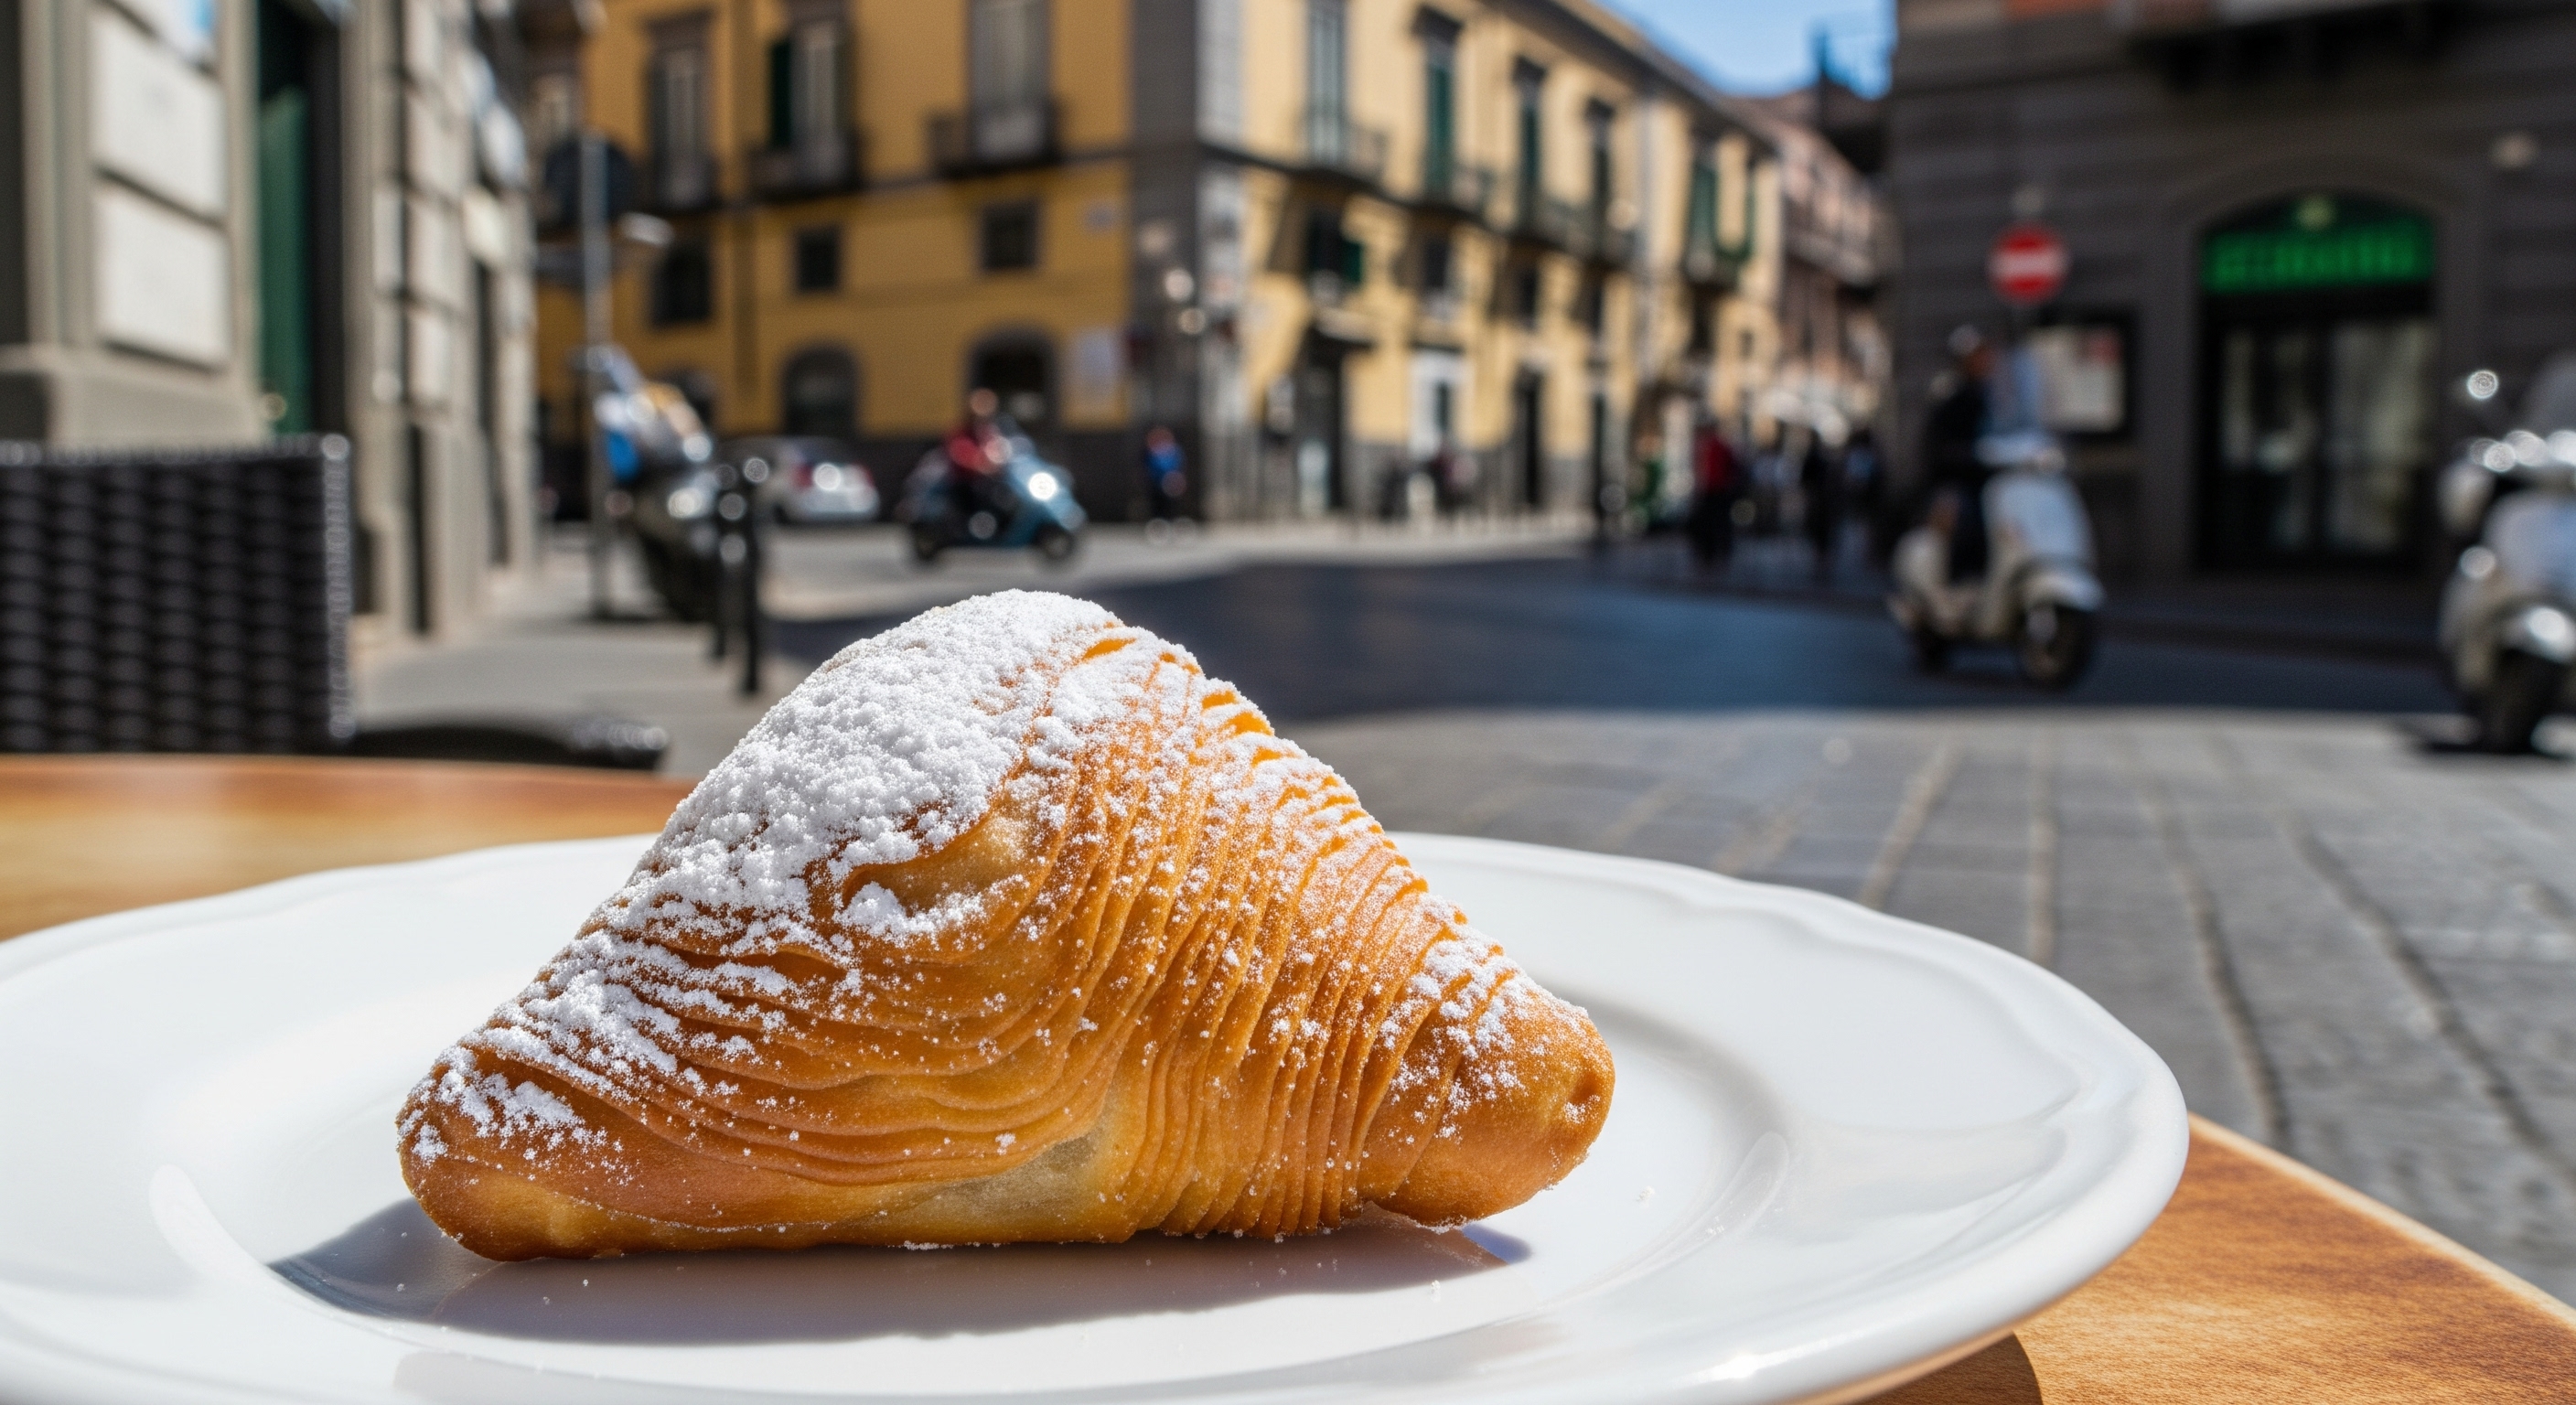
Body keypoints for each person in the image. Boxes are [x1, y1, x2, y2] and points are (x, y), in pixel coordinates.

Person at [1923, 327, 1998, 582]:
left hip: (1987, 478)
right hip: (1956, 479)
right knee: (1966, 519)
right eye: (1978, 356)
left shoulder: (1992, 392)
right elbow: (1937, 444)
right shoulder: (1950, 392)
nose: (1985, 361)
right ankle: (1960, 579)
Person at [943, 388, 1012, 526]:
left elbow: (999, 448)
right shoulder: (962, 432)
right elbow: (961, 455)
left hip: (989, 479)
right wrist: (982, 466)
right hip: (966, 482)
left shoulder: (991, 430)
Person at [1685, 417, 1741, 573]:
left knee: (1713, 523)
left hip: (1714, 489)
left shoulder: (1712, 446)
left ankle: (1711, 553)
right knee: (1716, 523)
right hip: (1716, 489)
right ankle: (1714, 553)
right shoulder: (1717, 446)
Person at [1801, 434, 1846, 583]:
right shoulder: (1820, 460)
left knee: (1823, 537)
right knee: (1821, 536)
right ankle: (1821, 566)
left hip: (1824, 507)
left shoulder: (1827, 462)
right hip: (1821, 506)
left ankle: (1822, 566)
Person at [1142, 425, 1186, 521]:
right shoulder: (1152, 453)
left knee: (1173, 502)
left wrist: (1175, 477)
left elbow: (1179, 464)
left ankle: (1174, 519)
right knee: (1158, 502)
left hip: (1172, 481)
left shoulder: (1174, 451)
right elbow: (1150, 467)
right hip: (1156, 482)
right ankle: (1158, 519)